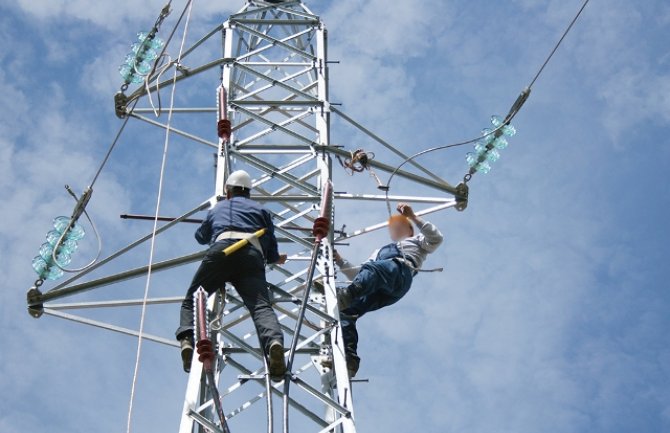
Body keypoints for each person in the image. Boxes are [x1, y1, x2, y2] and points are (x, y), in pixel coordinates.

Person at [176, 170, 287, 380]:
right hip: (251, 255)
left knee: (192, 300)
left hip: (222, 251)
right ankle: (274, 343)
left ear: (228, 192)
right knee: (261, 306)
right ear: (249, 192)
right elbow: (271, 247)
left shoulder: (218, 208)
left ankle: (187, 340)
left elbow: (201, 237)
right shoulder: (262, 211)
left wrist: (216, 217)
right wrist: (275, 258)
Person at [334, 203, 443, 377]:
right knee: (346, 311)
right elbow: (358, 275)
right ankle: (349, 357)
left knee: (370, 272)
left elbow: (436, 238)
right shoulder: (378, 253)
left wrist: (413, 216)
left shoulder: (417, 242)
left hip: (399, 273)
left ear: (410, 230)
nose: (396, 229)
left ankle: (348, 295)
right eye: (393, 227)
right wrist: (339, 260)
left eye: (400, 226)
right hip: (382, 287)